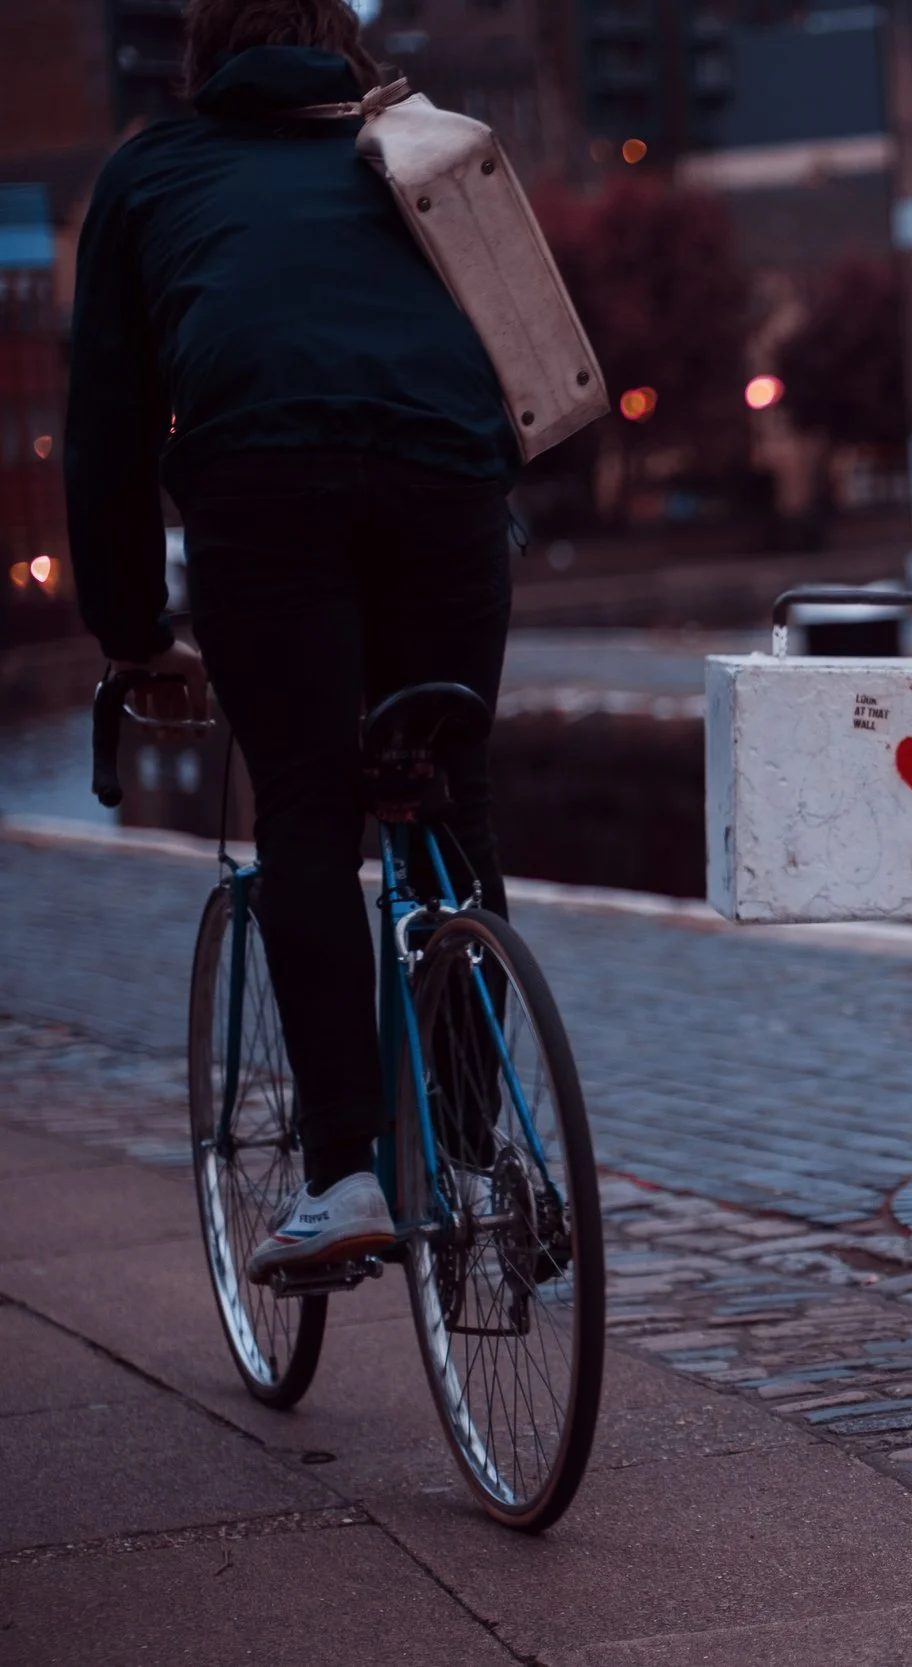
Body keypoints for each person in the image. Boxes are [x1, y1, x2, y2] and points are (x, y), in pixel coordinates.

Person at [64, 0, 520, 1279]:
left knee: (310, 812)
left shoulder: (152, 174)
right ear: (342, 46)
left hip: (264, 488)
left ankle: (344, 1177)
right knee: (455, 798)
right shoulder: (414, 147)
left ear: (203, 60)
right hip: (448, 481)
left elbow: (106, 430)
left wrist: (132, 635)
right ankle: (478, 1154)